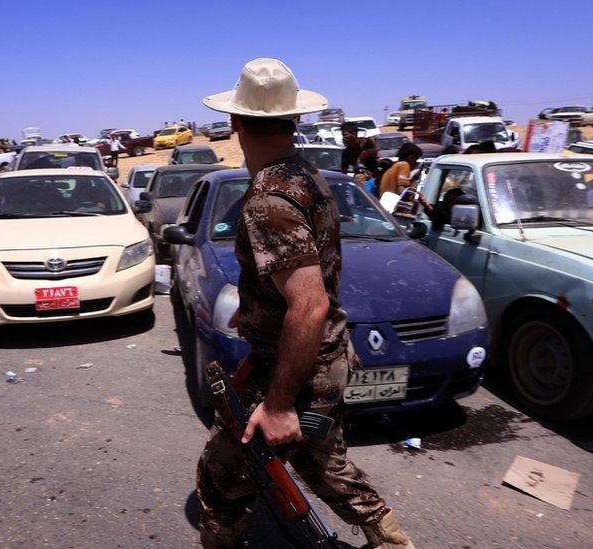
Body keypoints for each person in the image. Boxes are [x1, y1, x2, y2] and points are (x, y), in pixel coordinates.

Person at [197, 58, 413, 549]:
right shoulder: (308, 177)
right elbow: (302, 280)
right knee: (327, 469)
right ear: (294, 121)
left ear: (234, 123)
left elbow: (309, 304)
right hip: (324, 359)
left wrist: (276, 406)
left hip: (295, 369)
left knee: (222, 478)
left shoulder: (268, 197)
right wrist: (254, 307)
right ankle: (392, 540)